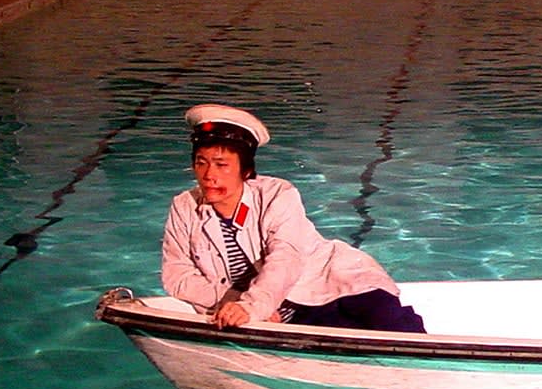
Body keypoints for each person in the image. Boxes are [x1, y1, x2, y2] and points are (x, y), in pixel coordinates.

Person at [161, 104, 426, 333]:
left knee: (387, 319)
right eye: (201, 162)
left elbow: (285, 258)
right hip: (276, 310)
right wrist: (242, 304)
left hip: (329, 280)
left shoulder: (278, 194)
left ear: (246, 171)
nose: (209, 175)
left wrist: (253, 306)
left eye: (221, 165)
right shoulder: (184, 207)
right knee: (337, 336)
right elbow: (178, 276)